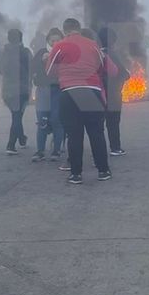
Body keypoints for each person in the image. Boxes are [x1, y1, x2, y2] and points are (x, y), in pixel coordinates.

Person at [46, 18, 118, 184]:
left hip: (69, 93)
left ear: (65, 31)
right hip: (92, 91)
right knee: (96, 133)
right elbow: (105, 68)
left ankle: (76, 174)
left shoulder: (59, 46)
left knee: (74, 135)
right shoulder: (93, 45)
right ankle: (103, 171)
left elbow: (49, 71)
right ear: (79, 29)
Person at [0, 28, 32, 154]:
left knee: (16, 115)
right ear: (21, 39)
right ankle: (10, 145)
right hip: (22, 89)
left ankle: (22, 139)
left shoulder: (3, 53)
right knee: (17, 116)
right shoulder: (26, 52)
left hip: (7, 90)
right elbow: (32, 69)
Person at [32, 28, 66, 161]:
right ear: (48, 41)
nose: (55, 43)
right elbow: (32, 69)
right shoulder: (41, 53)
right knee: (42, 121)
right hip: (43, 90)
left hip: (58, 90)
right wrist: (41, 61)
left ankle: (56, 151)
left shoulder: (65, 53)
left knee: (57, 120)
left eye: (58, 40)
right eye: (52, 40)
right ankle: (40, 151)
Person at [98, 27, 131, 157]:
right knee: (113, 122)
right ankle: (115, 147)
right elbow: (123, 73)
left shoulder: (95, 53)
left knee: (98, 124)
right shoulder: (111, 54)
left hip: (98, 94)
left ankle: (98, 149)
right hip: (113, 95)